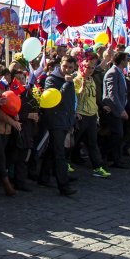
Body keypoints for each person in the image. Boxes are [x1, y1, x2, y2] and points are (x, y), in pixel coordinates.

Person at [41, 55, 78, 197]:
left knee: (53, 150)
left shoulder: (69, 80)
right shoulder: (52, 79)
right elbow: (55, 99)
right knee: (59, 153)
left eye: (70, 67)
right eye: (65, 67)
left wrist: (71, 120)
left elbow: (70, 101)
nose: (67, 70)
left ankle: (43, 177)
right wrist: (66, 83)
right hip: (55, 120)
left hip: (66, 120)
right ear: (60, 65)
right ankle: (63, 185)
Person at [74, 55, 109, 179]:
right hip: (81, 115)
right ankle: (64, 164)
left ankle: (97, 167)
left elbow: (93, 98)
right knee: (73, 142)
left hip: (92, 115)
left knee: (93, 143)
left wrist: (97, 114)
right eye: (88, 67)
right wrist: (83, 84)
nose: (90, 70)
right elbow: (78, 97)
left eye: (92, 68)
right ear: (82, 67)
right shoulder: (77, 80)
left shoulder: (92, 80)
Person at [102, 52, 130, 168]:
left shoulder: (120, 72)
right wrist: (120, 109)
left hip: (118, 109)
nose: (128, 61)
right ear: (122, 61)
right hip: (113, 110)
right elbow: (111, 94)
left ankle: (114, 158)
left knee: (118, 135)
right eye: (127, 59)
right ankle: (109, 157)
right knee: (117, 134)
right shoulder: (112, 73)